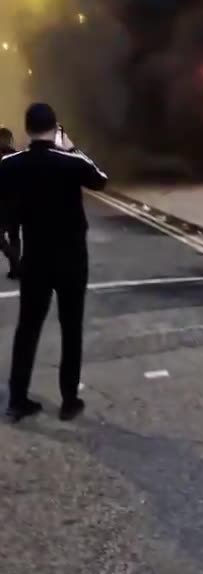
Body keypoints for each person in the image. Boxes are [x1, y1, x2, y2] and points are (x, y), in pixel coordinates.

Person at [0, 103, 108, 422]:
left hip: (35, 256)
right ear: (54, 127)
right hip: (72, 258)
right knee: (70, 327)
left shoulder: (10, 164)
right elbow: (101, 179)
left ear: (27, 129)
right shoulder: (70, 162)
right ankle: (68, 400)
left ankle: (17, 398)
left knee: (28, 328)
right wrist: (71, 146)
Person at [0, 127, 21, 280]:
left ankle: (16, 265)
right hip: (16, 203)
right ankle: (15, 269)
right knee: (14, 236)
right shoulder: (17, 156)